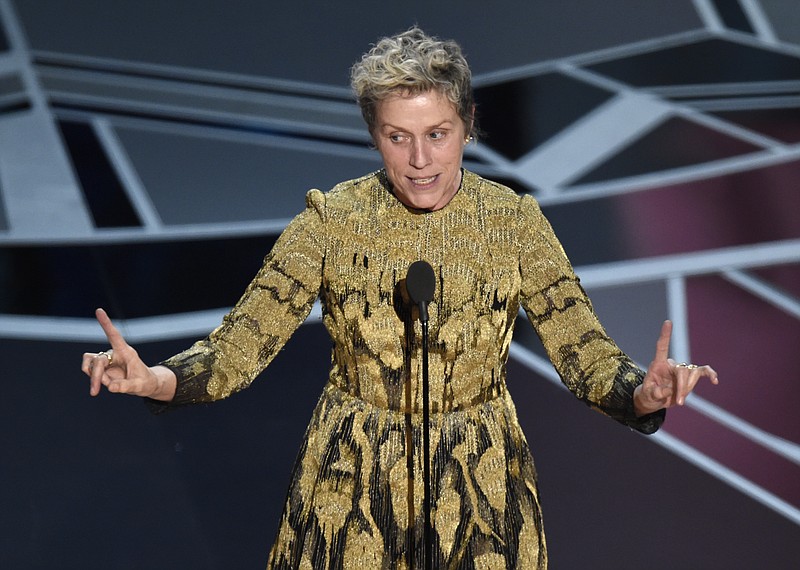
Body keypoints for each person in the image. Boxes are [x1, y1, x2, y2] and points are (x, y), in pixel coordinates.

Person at [81, 27, 718, 569]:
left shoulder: (514, 222)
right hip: (349, 484)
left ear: (467, 126)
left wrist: (642, 391)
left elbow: (583, 350)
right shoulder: (332, 221)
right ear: (373, 135)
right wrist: (158, 378)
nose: (419, 160)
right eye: (397, 137)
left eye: (437, 134)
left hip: (480, 484)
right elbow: (241, 344)